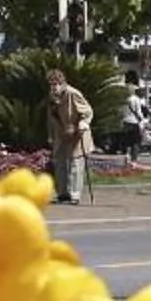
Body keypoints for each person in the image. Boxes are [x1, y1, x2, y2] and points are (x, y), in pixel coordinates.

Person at [46, 68, 94, 204]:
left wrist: (83, 123)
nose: (53, 87)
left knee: (75, 162)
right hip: (61, 133)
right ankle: (62, 193)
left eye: (55, 84)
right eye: (51, 84)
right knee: (59, 161)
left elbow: (88, 111)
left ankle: (74, 194)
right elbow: (50, 117)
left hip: (77, 132)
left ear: (62, 83)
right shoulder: (52, 96)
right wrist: (51, 135)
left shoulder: (73, 94)